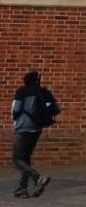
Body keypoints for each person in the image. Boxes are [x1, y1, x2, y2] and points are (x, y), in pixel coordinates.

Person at [11, 70, 57, 198]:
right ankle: (22, 189)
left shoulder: (22, 91)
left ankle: (38, 178)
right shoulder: (44, 91)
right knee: (26, 159)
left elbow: (16, 109)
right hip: (37, 129)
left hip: (23, 128)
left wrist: (16, 119)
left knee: (17, 158)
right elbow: (56, 108)